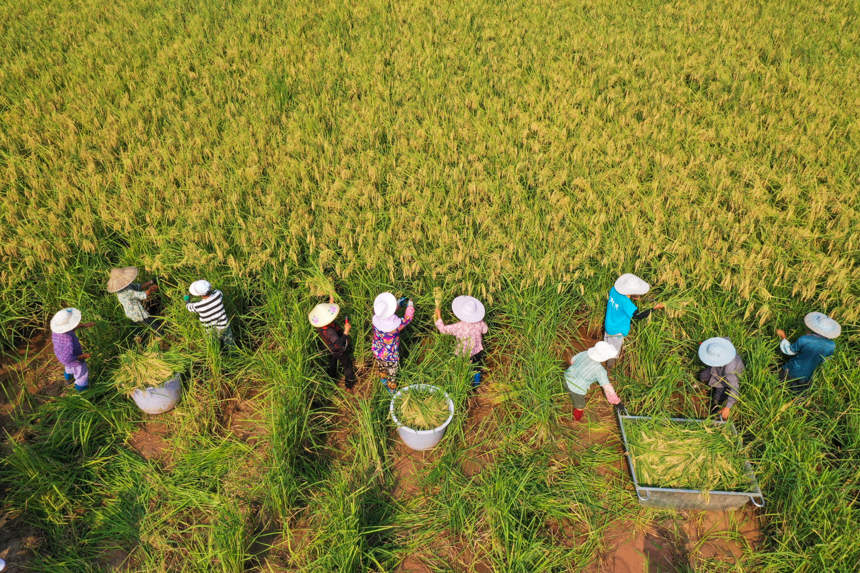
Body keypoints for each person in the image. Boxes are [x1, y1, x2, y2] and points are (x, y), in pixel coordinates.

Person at [603, 273, 664, 367]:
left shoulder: (613, 290)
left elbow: (620, 302)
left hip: (608, 325)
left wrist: (632, 296)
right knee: (614, 350)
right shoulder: (626, 303)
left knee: (608, 343)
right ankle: (609, 368)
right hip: (618, 331)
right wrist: (653, 308)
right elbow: (638, 315)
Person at [776, 312, 840, 393]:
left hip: (791, 371)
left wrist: (783, 336)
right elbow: (825, 360)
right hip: (807, 377)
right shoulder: (831, 345)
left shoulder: (805, 339)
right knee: (798, 396)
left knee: (780, 389)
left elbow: (789, 351)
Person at [434, 295, 489, 387]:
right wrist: (480, 321)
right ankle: (475, 385)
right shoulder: (480, 323)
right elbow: (485, 330)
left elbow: (443, 330)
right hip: (476, 351)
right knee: (476, 368)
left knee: (460, 368)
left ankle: (461, 384)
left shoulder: (458, 326)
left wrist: (438, 316)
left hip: (461, 353)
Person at [564, 341, 621, 421]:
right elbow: (607, 388)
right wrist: (616, 402)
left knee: (567, 388)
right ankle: (576, 419)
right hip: (576, 388)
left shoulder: (584, 353)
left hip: (566, 377)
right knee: (580, 406)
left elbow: (572, 361)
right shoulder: (600, 370)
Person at [309, 296, 356, 390]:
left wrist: (331, 301)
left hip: (329, 346)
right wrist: (346, 332)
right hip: (338, 348)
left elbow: (325, 314)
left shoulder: (319, 324)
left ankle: (331, 377)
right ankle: (349, 384)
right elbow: (338, 345)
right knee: (347, 365)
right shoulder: (330, 332)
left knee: (332, 361)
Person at [371, 292, 414, 394]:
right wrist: (410, 304)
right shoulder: (396, 326)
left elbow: (386, 313)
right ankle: (391, 390)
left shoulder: (376, 319)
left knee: (382, 368)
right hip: (390, 356)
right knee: (392, 375)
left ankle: (383, 380)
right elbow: (408, 318)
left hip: (378, 351)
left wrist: (398, 304)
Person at [698, 337, 744, 420]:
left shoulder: (729, 370)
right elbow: (724, 340)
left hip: (724, 379)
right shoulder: (723, 345)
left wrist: (728, 407)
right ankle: (711, 386)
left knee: (717, 400)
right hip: (716, 370)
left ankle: (717, 401)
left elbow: (735, 388)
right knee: (702, 376)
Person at [50, 308, 95, 391]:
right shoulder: (67, 341)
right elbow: (67, 358)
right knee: (82, 373)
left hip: (60, 355)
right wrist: (82, 356)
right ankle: (82, 389)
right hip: (74, 359)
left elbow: (71, 328)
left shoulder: (57, 331)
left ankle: (69, 379)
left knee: (69, 368)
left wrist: (84, 325)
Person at [184, 280, 235, 348]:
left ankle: (217, 352)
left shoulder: (198, 306)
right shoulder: (218, 295)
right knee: (229, 342)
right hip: (224, 326)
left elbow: (188, 307)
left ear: (199, 295)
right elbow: (216, 291)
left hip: (211, 330)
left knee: (213, 343)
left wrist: (187, 300)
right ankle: (232, 352)